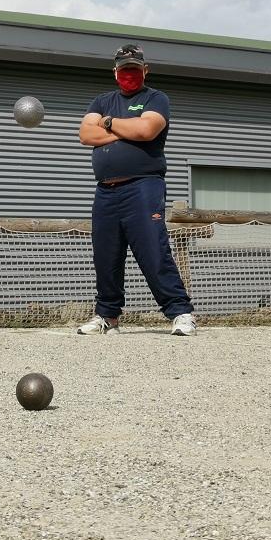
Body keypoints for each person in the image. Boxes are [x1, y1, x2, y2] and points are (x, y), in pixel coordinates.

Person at [77, 43, 197, 336]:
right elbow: (85, 134)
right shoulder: (102, 100)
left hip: (143, 187)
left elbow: (147, 131)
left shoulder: (156, 98)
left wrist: (107, 125)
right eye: (124, 69)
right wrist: (125, 128)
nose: (129, 74)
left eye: (134, 68)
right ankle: (108, 316)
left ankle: (181, 312)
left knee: (153, 251)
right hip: (105, 191)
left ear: (144, 69)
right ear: (115, 70)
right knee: (105, 256)